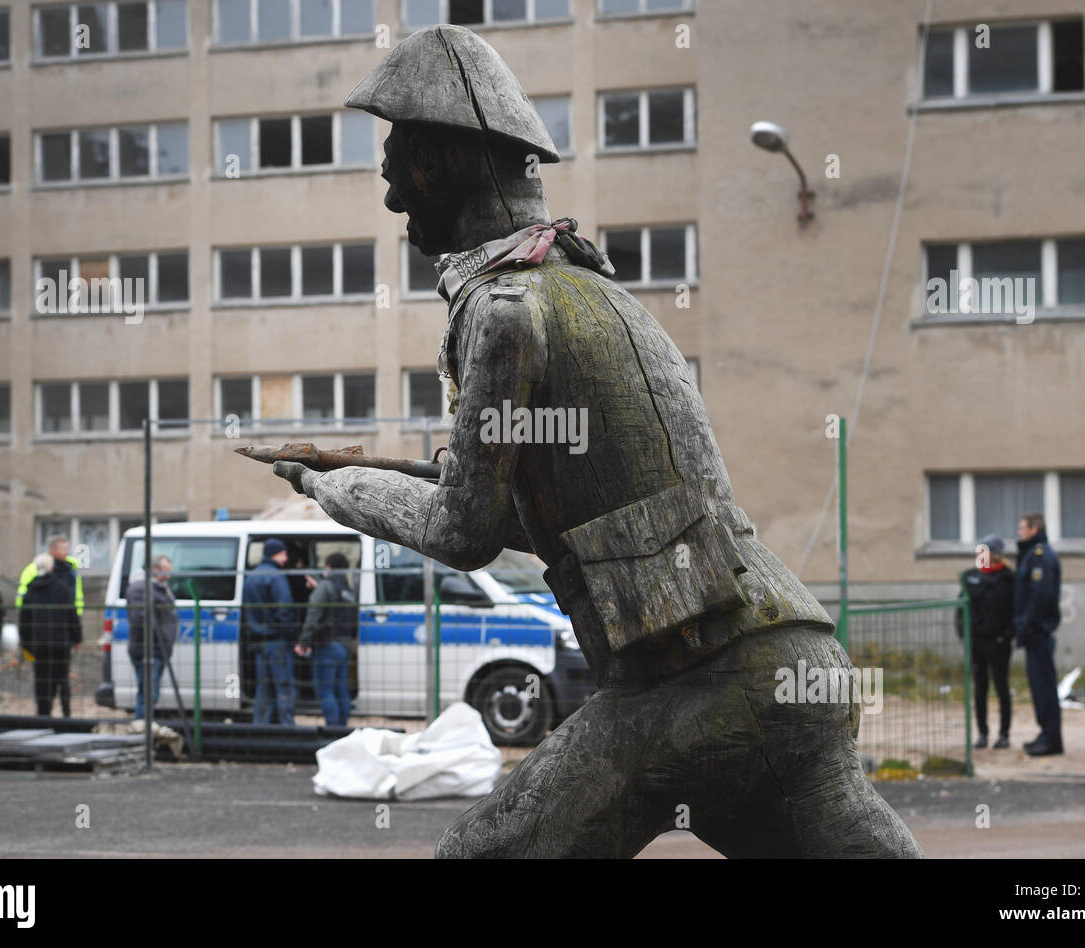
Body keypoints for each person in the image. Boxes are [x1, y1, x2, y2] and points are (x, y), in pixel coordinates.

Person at [273, 26, 920, 857]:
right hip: (794, 664)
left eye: (406, 174)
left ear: (457, 163)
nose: (397, 201)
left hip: (693, 687)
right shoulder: (601, 296)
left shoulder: (508, 311)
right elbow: (544, 512)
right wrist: (399, 471)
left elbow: (463, 532)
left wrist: (335, 489)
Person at [956, 535, 1014, 750]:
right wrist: (963, 633)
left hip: (999, 643)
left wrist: (1006, 635)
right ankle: (982, 733)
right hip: (977, 643)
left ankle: (1004, 734)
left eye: (985, 551)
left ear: (995, 555)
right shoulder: (971, 577)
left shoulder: (1008, 578)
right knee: (980, 689)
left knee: (1001, 688)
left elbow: (1013, 611)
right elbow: (961, 609)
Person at [1015, 512, 1063, 756]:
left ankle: (1052, 739)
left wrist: (1027, 624)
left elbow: (1041, 595)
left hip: (1038, 633)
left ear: (1034, 529)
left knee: (1044, 687)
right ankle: (1046, 734)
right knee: (1039, 686)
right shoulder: (1031, 555)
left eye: (1022, 528)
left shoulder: (1040, 556)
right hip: (1034, 633)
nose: (1019, 532)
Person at [296, 553, 356, 728]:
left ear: (328, 567)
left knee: (325, 691)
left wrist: (303, 642)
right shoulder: (347, 589)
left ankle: (332, 730)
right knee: (341, 689)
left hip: (328, 644)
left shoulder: (325, 587)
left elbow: (313, 616)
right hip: (346, 645)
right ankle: (342, 729)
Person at [242, 538, 297, 726]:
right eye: (284, 553)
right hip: (277, 641)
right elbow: (285, 610)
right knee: (284, 686)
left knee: (264, 686)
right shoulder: (276, 577)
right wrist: (292, 636)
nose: (286, 558)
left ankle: (260, 727)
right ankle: (288, 728)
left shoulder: (251, 576)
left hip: (258, 640)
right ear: (277, 553)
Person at [19, 552, 82, 717]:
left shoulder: (30, 591)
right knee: (62, 678)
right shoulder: (61, 588)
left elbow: (24, 621)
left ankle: (43, 713)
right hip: (60, 643)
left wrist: (26, 643)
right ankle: (66, 713)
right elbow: (71, 614)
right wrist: (76, 637)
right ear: (52, 568)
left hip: (39, 644)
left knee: (42, 679)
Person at [124, 555, 177, 720]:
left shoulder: (160, 588)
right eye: (164, 571)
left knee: (151, 693)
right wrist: (159, 637)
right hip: (147, 649)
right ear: (154, 569)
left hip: (159, 649)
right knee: (148, 694)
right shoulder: (141, 589)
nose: (167, 576)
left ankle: (145, 727)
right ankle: (142, 731)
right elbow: (139, 619)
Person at [16, 534, 84, 619]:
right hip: (42, 617)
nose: (67, 552)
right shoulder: (36, 568)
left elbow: (76, 592)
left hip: (67, 616)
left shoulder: (71, 569)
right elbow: (23, 594)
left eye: (67, 549)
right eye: (63, 549)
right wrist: (25, 613)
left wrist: (76, 613)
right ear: (52, 550)